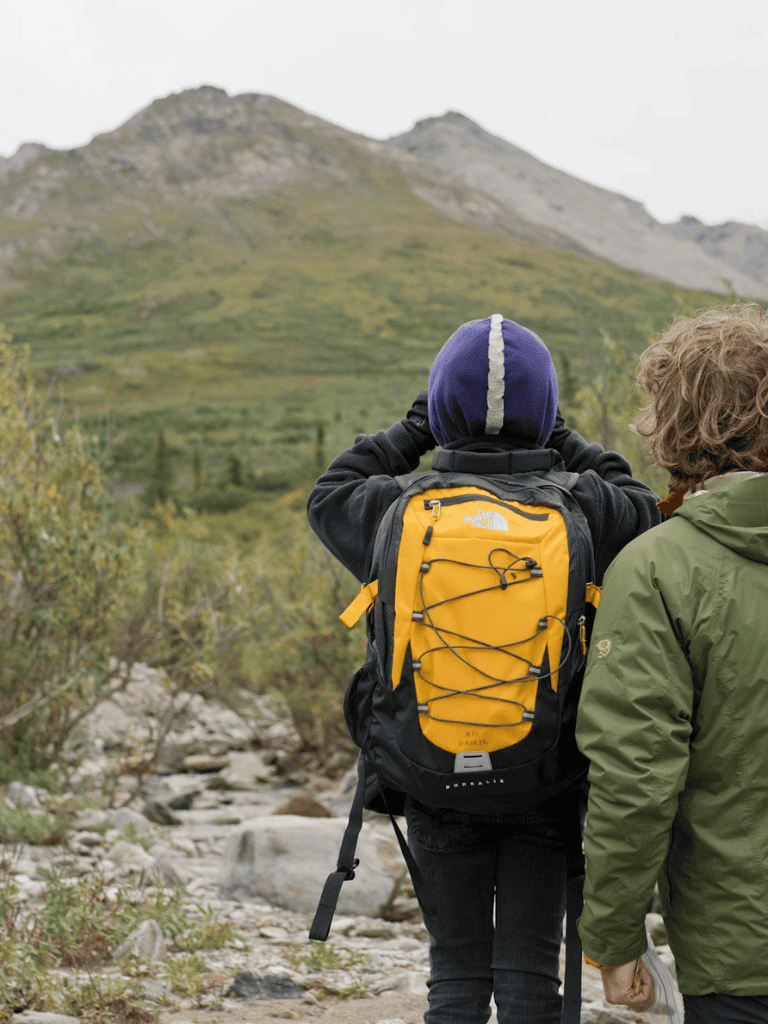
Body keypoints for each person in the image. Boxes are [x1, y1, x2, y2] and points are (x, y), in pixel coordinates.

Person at [307, 314, 662, 1024]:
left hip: (431, 776)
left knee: (456, 974)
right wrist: (560, 436)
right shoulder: (588, 508)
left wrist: (415, 428)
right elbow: (643, 506)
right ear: (545, 416)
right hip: (544, 774)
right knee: (532, 974)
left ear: (441, 411)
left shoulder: (389, 510)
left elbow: (329, 490)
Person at [576, 304, 768, 1023]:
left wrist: (614, 939)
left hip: (743, 956)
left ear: (678, 424)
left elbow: (635, 775)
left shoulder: (658, 568)